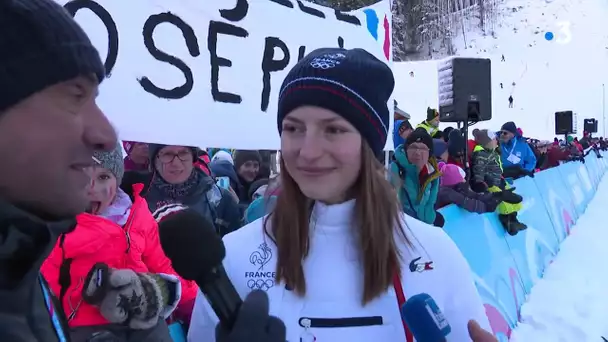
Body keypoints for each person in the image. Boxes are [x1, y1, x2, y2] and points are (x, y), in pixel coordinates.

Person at [0, 1, 282, 341]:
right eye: (74, 97)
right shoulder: (46, 242)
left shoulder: (22, 268)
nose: (106, 135)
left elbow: (168, 273)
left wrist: (159, 294)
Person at [188, 47, 494, 342]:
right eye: (293, 128)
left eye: (333, 130)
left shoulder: (433, 253)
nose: (307, 151)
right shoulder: (236, 256)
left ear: (369, 143)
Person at [41, 144, 196, 341]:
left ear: (118, 178)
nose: (92, 188)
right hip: (84, 324)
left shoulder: (137, 214)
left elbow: (162, 263)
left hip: (139, 316)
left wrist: (188, 298)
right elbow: (45, 283)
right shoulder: (60, 223)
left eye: (103, 177)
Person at [121, 144, 242, 237]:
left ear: (193, 158)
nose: (176, 162)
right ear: (155, 161)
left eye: (183, 153)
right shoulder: (134, 196)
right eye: (167, 154)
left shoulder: (219, 200)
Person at [470, 129, 526, 235]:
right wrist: (481, 182)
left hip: (499, 181)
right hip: (492, 184)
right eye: (494, 139)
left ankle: (514, 220)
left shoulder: (491, 152)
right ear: (487, 142)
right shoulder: (481, 154)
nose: (497, 141)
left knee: (512, 199)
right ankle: (508, 222)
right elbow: (479, 170)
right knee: (505, 203)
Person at [390, 128, 443, 227]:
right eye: (413, 147)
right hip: (403, 227)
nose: (418, 153)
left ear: (429, 153)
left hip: (423, 228)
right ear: (406, 150)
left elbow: (430, 204)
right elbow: (391, 205)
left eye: (423, 148)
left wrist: (431, 217)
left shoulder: (433, 174)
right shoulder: (396, 169)